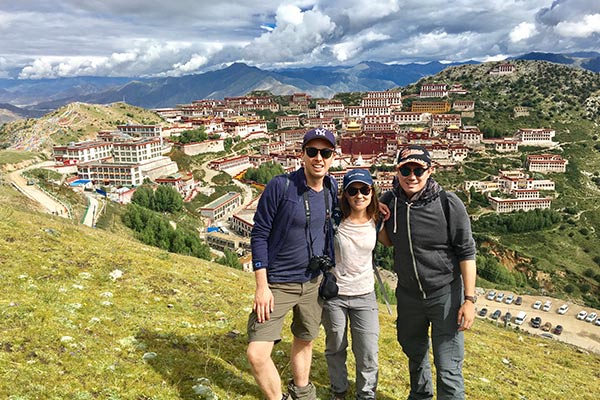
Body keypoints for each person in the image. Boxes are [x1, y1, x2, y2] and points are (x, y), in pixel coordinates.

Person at [247, 127, 339, 400]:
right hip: (277, 283)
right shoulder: (281, 186)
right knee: (257, 353)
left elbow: (347, 212)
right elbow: (260, 233)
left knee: (305, 338)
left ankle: (302, 391)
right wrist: (261, 286)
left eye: (325, 152)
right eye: (312, 152)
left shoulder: (332, 187)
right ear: (302, 155)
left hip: (313, 283)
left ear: (333, 157)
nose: (318, 158)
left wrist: (378, 208)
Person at [379, 144, 477, 400]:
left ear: (430, 170)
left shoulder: (448, 203)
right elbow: (388, 242)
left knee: (448, 367)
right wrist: (377, 219)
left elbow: (467, 251)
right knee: (415, 354)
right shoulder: (389, 201)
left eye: (418, 170)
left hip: (444, 294)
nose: (412, 176)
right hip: (409, 295)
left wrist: (469, 299)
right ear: (397, 172)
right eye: (406, 170)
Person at [322, 169, 382, 400]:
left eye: (364, 189)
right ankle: (338, 390)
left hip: (365, 294)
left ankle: (366, 394)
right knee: (336, 346)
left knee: (367, 350)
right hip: (335, 294)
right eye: (353, 190)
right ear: (345, 194)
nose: (359, 195)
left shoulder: (378, 218)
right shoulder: (334, 219)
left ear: (372, 191)